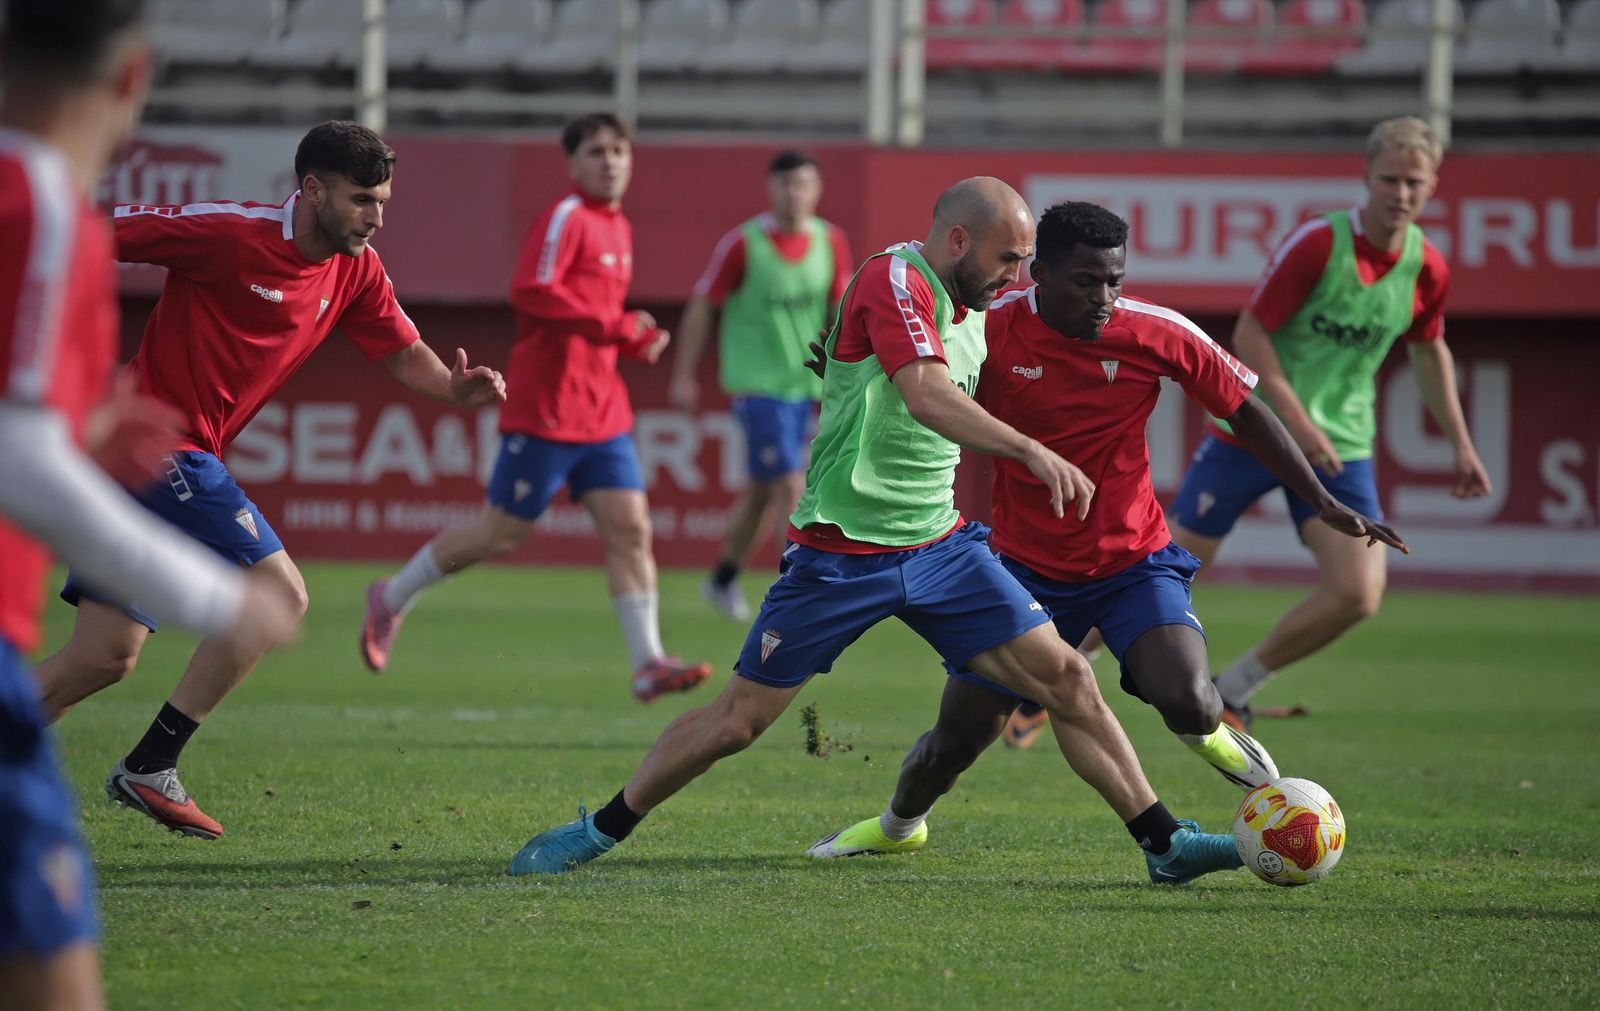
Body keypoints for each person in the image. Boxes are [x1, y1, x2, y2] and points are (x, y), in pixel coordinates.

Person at [505, 178, 1243, 885]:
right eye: (1007, 260)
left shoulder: (978, 305)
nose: (1017, 277)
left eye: (1024, 263)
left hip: (942, 548)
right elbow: (922, 392)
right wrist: (1029, 449)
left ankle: (1164, 842)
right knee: (737, 722)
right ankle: (599, 827)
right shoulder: (897, 278)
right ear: (958, 239)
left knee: (1068, 679)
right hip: (841, 552)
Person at [808, 202, 1409, 858]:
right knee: (955, 742)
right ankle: (899, 827)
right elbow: (917, 384)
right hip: (1020, 574)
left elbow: (1247, 409)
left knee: (1191, 702)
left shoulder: (1156, 331)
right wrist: (853, 364)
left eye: (1114, 281)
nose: (1104, 298)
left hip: (1134, 563)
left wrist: (1320, 497)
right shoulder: (986, 331)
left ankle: (1268, 795)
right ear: (1038, 274)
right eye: (1085, 282)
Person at [32, 120, 507, 841]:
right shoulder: (228, 232)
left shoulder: (357, 268)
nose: (375, 218)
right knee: (280, 594)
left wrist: (454, 387)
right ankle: (151, 764)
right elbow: (92, 230)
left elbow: (403, 352)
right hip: (164, 446)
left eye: (382, 202)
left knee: (103, 655)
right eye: (360, 200)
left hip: (165, 461)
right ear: (312, 189)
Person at [0, 1, 296, 1005]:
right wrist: (217, 598)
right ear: (134, 78)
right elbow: (22, 459)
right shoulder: (45, 209)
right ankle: (150, 767)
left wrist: (82, 430)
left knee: (104, 654)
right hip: (145, 494)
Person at [361, 113, 712, 703]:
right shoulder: (567, 217)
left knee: (631, 530)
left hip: (603, 412)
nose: (610, 161)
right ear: (573, 163)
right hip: (547, 410)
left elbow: (595, 320)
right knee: (499, 535)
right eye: (597, 151)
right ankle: (390, 598)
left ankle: (648, 661)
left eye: (619, 151)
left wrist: (630, 337)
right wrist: (615, 326)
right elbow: (531, 291)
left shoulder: (618, 226)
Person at [1167, 116, 1489, 730]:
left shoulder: (1428, 268)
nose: (1400, 193)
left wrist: (1461, 445)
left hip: (1340, 446)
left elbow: (1429, 351)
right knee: (1166, 573)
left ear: (1432, 187)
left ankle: (1232, 690)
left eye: (1413, 182)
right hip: (1253, 431)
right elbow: (1249, 334)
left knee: (1358, 593)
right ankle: (1053, 682)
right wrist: (1295, 421)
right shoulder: (1317, 244)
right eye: (1390, 179)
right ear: (1366, 177)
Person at [668, 149, 853, 621]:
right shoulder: (743, 243)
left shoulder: (831, 242)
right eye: (785, 185)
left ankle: (722, 579)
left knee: (761, 490)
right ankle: (797, 595)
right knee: (789, 487)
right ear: (770, 189)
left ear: (818, 190)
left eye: (803, 185)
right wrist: (684, 375)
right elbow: (703, 305)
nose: (794, 194)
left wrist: (850, 373)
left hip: (807, 389)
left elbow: (840, 315)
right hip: (757, 387)